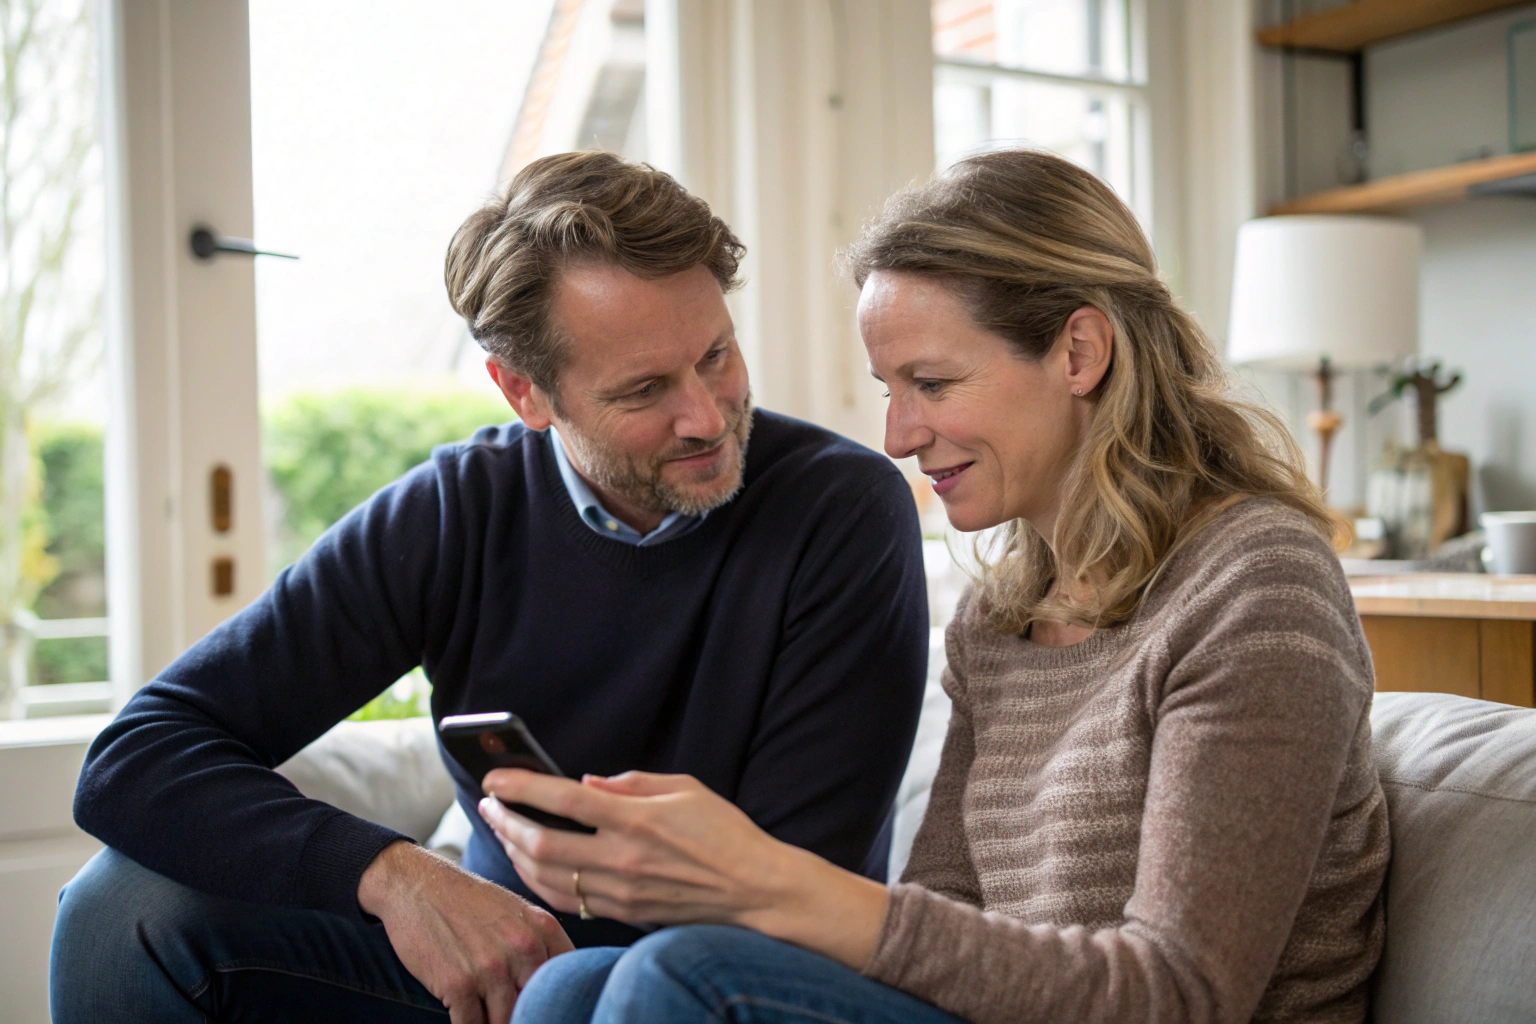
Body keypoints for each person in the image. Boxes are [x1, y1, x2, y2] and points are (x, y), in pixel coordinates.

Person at [487, 148, 1392, 1024]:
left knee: (688, 972)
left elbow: (1178, 995)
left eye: (930, 382)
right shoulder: (1002, 624)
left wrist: (769, 882)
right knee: (572, 987)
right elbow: (938, 924)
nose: (897, 435)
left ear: (1079, 351)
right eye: (889, 387)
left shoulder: (1254, 588)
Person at [48, 152, 929, 1024]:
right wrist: (396, 877)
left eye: (717, 355)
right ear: (525, 393)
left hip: (720, 986)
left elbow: (794, 892)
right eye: (644, 389)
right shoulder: (456, 511)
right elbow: (136, 756)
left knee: (585, 989)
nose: (705, 415)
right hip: (497, 980)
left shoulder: (840, 511)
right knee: (122, 913)